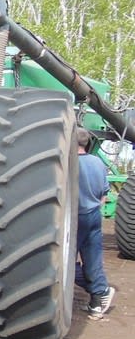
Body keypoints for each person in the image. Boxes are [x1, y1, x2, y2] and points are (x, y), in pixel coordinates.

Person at [76, 128, 116, 319]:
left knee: (63, 265)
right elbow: (104, 194)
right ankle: (97, 302)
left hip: (77, 217)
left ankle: (100, 290)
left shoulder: (70, 164)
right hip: (94, 215)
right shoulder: (98, 162)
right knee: (93, 261)